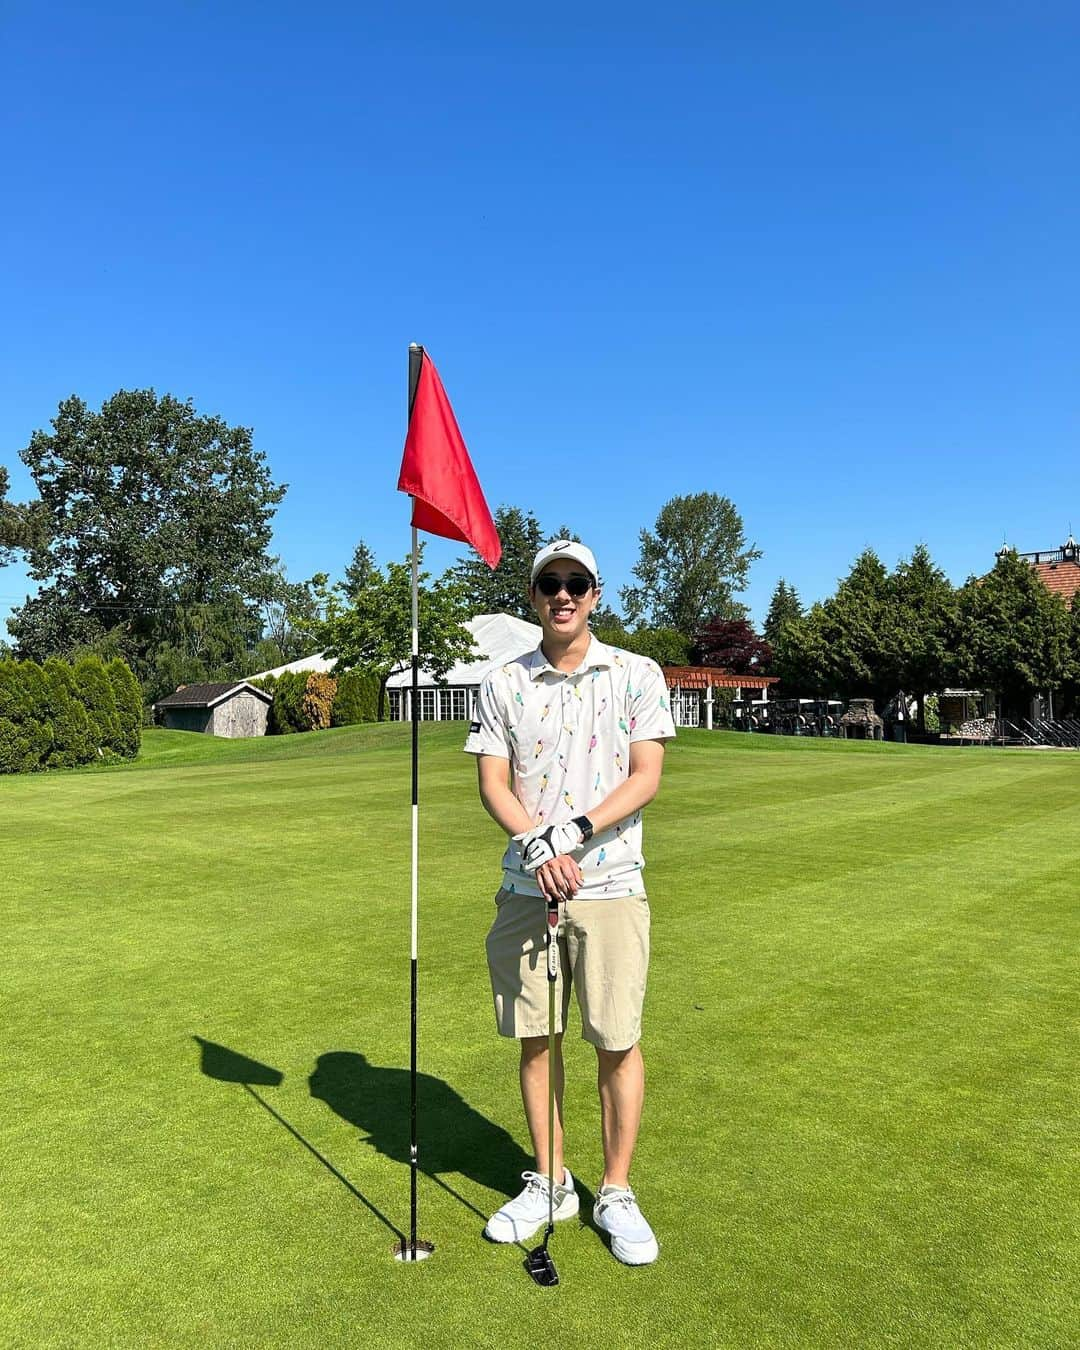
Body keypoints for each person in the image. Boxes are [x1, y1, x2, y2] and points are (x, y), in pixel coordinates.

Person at [463, 539, 676, 1265]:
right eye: (550, 583)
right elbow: (495, 781)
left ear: (595, 593)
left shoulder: (637, 674)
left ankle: (615, 1191)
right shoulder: (502, 683)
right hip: (529, 886)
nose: (563, 594)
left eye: (575, 583)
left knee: (616, 1038)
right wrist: (537, 848)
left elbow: (646, 775)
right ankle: (551, 1181)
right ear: (534, 595)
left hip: (611, 882)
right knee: (536, 1037)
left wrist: (575, 833)